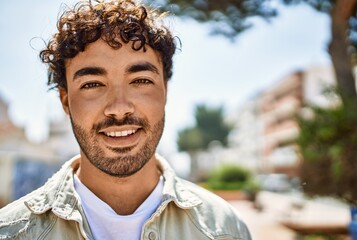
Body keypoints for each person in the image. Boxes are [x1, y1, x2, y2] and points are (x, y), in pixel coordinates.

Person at [0, 0, 252, 239]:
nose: (119, 109)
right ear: (65, 101)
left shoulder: (226, 230)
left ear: (165, 90)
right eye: (93, 84)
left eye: (141, 81)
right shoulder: (11, 232)